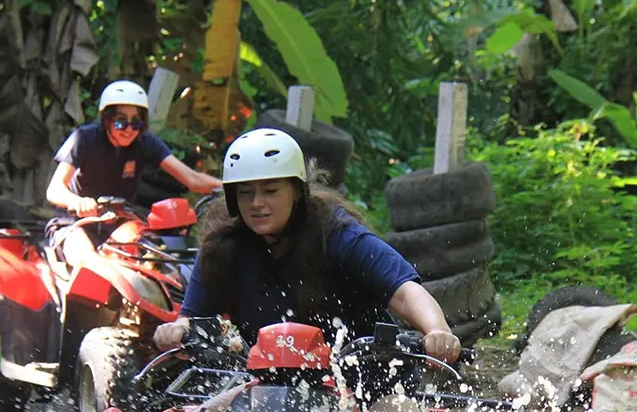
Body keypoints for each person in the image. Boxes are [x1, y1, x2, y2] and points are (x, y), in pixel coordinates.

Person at [153, 128, 461, 369]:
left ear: (297, 192)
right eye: (245, 193)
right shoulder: (222, 248)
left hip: (365, 385)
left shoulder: (339, 235)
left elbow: (405, 291)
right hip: (266, 389)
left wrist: (436, 330)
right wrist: (176, 331)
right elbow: (189, 320)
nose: (257, 203)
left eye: (270, 191)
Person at [45, 79, 221, 266]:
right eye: (120, 122)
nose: (128, 130)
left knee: (155, 259)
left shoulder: (146, 143)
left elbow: (192, 179)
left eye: (135, 123)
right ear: (106, 120)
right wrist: (78, 202)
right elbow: (54, 190)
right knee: (89, 263)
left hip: (119, 224)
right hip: (72, 223)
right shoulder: (84, 138)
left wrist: (231, 187)